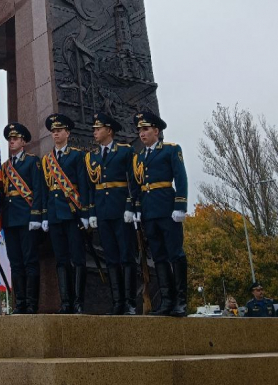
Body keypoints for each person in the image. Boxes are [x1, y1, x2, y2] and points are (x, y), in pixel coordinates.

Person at [131, 111, 189, 317]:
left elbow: (180, 178)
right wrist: (137, 209)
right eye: (139, 130)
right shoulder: (138, 157)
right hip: (149, 211)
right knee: (159, 257)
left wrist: (180, 205)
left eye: (145, 129)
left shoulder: (170, 150)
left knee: (175, 254)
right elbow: (137, 186)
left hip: (167, 209)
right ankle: (166, 300)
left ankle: (181, 300)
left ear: (156, 130)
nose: (142, 134)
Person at [86, 112, 138, 315]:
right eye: (94, 129)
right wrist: (92, 211)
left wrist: (129, 207)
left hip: (121, 211)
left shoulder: (125, 151)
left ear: (109, 130)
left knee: (127, 257)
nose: (95, 132)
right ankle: (117, 302)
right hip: (103, 212)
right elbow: (91, 187)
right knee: (111, 259)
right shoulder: (92, 156)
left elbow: (133, 182)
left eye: (98, 129)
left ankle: (130, 303)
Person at [42, 114, 90, 314]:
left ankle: (78, 302)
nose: (56, 134)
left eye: (59, 130)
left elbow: (84, 185)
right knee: (61, 259)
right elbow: (45, 190)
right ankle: (65, 302)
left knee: (77, 258)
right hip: (54, 215)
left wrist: (86, 212)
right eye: (53, 131)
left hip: (72, 213)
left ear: (67, 133)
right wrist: (44, 215)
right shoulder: (47, 160)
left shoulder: (77, 156)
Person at [1, 122, 44, 314]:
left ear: (23, 142)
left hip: (27, 219)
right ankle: (20, 303)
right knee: (15, 263)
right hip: (10, 220)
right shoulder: (4, 167)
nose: (12, 141)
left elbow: (38, 190)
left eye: (15, 138)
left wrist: (36, 215)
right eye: (10, 139)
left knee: (30, 261)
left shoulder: (32, 161)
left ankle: (32, 304)